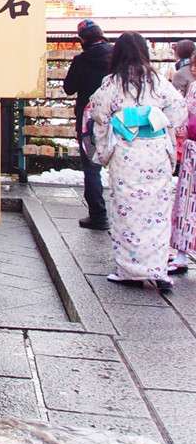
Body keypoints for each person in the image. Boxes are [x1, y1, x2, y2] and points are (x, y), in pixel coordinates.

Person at [89, 32, 187, 293]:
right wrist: (155, 121)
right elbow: (178, 111)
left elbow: (98, 114)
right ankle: (157, 269)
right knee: (156, 213)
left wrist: (103, 150)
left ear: (117, 53)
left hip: (127, 153)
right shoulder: (157, 81)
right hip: (155, 153)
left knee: (127, 211)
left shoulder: (112, 83)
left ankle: (128, 269)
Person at [63, 19, 113, 229]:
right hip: (117, 120)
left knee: (91, 168)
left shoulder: (81, 60)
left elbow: (68, 88)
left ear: (83, 39)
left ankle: (99, 216)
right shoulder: (117, 57)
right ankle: (125, 215)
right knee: (120, 166)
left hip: (88, 121)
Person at [170, 83, 196, 274]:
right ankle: (180, 255)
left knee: (187, 204)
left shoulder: (195, 88)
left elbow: (183, 122)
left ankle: (181, 255)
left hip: (193, 149)